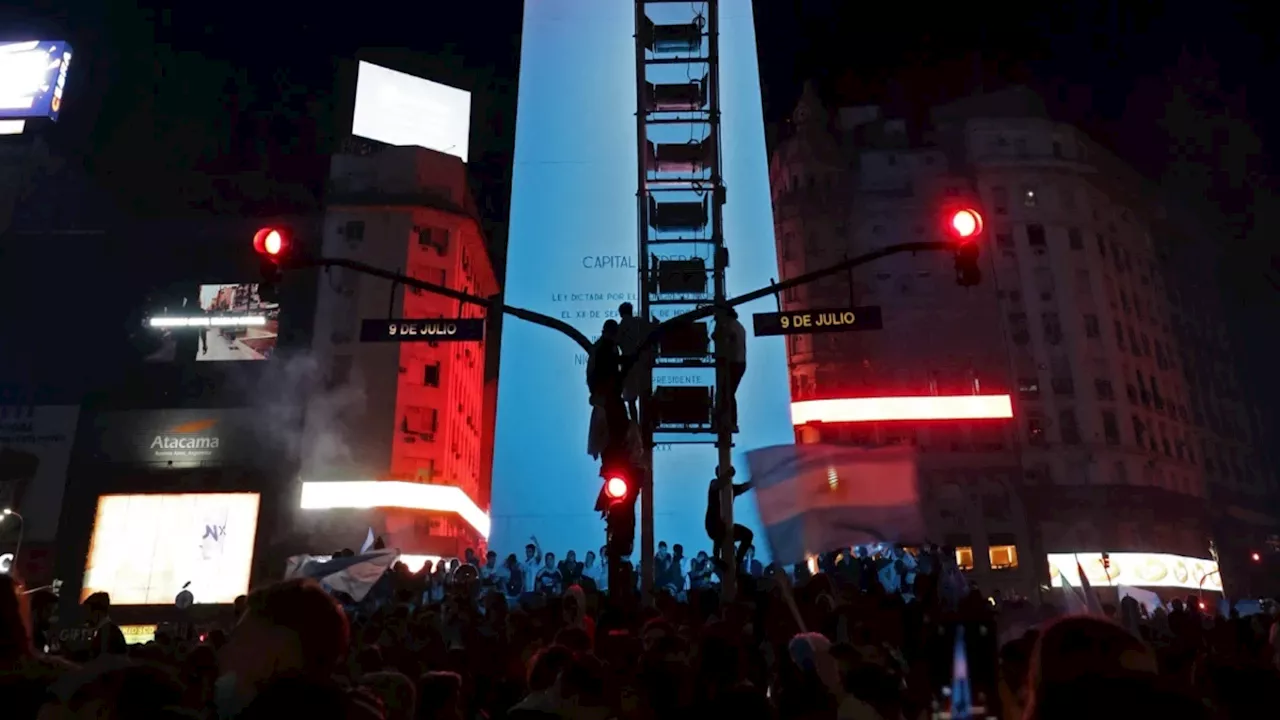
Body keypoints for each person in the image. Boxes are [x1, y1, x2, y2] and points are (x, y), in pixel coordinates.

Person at [705, 468, 755, 570]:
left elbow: (743, 487)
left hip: (726, 526)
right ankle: (716, 558)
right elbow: (718, 484)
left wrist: (753, 481)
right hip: (713, 525)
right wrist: (728, 475)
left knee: (748, 534)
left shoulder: (730, 489)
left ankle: (738, 560)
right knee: (719, 529)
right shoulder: (714, 484)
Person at [616, 302, 652, 422]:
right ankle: (646, 422)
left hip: (628, 365)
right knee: (645, 394)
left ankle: (635, 425)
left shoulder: (620, 327)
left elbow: (616, 344)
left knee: (631, 400)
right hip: (642, 362)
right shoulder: (640, 323)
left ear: (621, 313)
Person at [714, 308, 748, 431]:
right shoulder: (739, 326)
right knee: (729, 393)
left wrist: (718, 327)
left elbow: (718, 337)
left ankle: (727, 421)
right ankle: (729, 421)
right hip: (739, 363)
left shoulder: (729, 326)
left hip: (733, 363)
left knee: (726, 393)